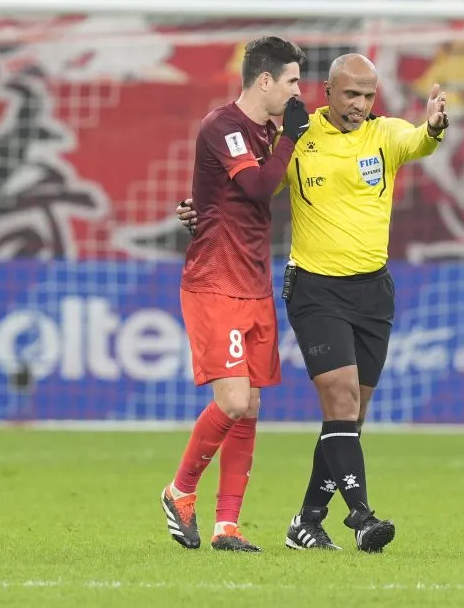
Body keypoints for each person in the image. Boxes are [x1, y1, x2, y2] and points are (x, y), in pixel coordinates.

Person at [177, 54, 448, 552]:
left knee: (350, 416)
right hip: (316, 289)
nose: (361, 106)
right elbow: (252, 188)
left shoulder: (385, 134)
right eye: (352, 95)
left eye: (369, 96)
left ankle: (307, 520)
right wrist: (203, 210)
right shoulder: (299, 138)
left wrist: (432, 127)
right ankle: (363, 517)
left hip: (373, 290)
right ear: (328, 91)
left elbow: (418, 141)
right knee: (340, 399)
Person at [162, 35, 311, 553]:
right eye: (292, 80)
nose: (298, 92)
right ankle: (180, 492)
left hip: (254, 282)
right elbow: (253, 188)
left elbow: (225, 196)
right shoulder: (223, 125)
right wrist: (291, 139)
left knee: (249, 406)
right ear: (265, 80)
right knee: (230, 399)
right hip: (214, 282)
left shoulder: (270, 133)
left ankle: (228, 524)